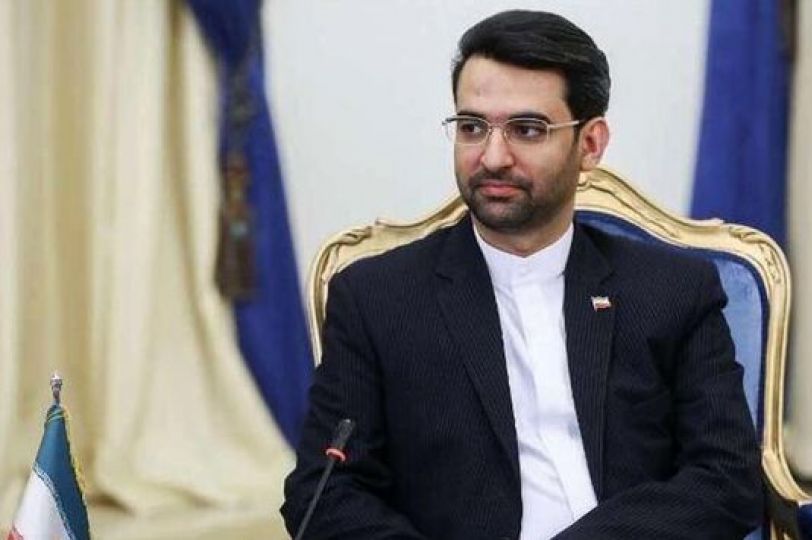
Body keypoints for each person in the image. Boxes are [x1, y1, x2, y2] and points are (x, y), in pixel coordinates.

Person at [282, 10, 762, 539]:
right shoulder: (379, 299)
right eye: (472, 127)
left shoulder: (671, 291)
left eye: (527, 130)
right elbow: (324, 492)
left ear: (591, 144)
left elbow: (727, 479)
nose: (493, 157)